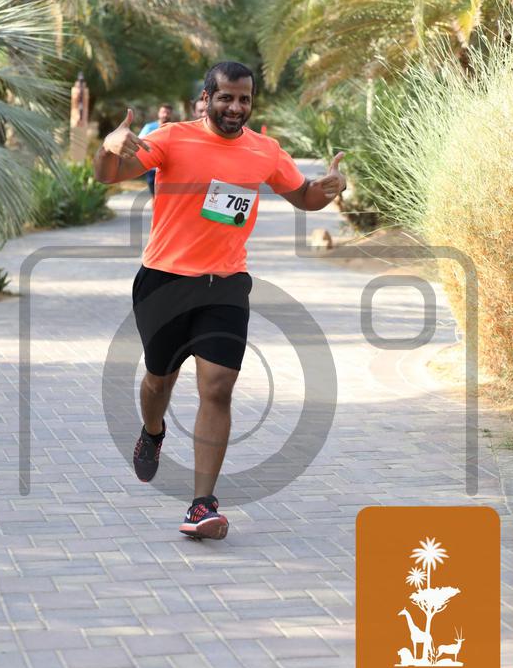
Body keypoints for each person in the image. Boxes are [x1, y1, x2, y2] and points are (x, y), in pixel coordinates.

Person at [93, 60, 346, 540]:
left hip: (226, 284)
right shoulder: (172, 138)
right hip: (165, 281)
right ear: (206, 98)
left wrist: (329, 190)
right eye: (226, 97)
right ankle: (152, 432)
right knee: (158, 380)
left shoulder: (265, 150)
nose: (236, 107)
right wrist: (108, 147)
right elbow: (109, 175)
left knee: (218, 387)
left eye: (244, 99)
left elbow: (305, 198)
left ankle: (201, 504)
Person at [139, 103, 173, 195]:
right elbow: (140, 142)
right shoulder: (149, 127)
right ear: (159, 113)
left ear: (171, 114)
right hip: (151, 168)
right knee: (154, 195)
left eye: (168, 113)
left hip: (168, 168)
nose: (165, 115)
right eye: (163, 112)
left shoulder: (174, 128)